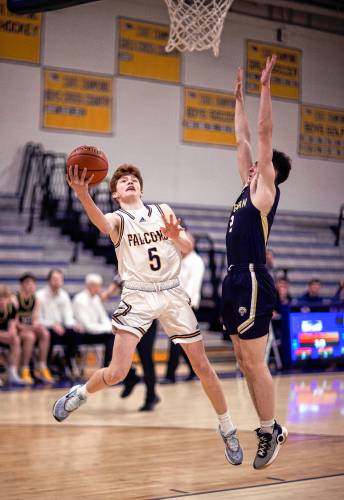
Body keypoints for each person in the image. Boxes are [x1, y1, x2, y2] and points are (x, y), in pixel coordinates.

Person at [53, 163, 243, 466]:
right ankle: (82, 393)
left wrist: (175, 235)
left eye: (134, 180)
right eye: (123, 181)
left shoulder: (161, 210)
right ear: (115, 194)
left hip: (171, 292)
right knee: (117, 372)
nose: (129, 182)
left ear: (141, 188)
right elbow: (100, 223)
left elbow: (187, 245)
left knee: (202, 366)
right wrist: (82, 194)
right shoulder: (117, 218)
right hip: (138, 294)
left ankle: (228, 427)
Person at [222, 56, 290, 469]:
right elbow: (242, 138)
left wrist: (265, 88)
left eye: (261, 165)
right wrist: (238, 100)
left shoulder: (265, 190)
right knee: (245, 363)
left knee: (254, 362)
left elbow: (262, 136)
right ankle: (266, 427)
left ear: (271, 173)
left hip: (250, 277)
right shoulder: (245, 190)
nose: (251, 164)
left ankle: (270, 428)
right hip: (233, 279)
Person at [102, 275, 160, 412]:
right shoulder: (124, 267)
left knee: (146, 358)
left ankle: (151, 396)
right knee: (111, 353)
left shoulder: (147, 268)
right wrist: (106, 294)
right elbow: (114, 285)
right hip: (128, 318)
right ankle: (131, 377)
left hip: (147, 319)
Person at [163, 233, 205, 383]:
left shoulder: (196, 262)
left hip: (187, 306)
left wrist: (180, 306)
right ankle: (195, 371)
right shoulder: (178, 259)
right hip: (175, 305)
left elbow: (192, 287)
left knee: (176, 341)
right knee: (182, 342)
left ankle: (170, 376)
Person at [36, 269, 82, 378]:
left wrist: (74, 324)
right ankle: (47, 365)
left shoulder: (64, 295)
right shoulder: (39, 295)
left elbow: (68, 316)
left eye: (60, 279)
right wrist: (52, 324)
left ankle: (69, 361)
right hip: (46, 327)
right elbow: (37, 320)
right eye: (55, 279)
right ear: (49, 280)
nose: (57, 282)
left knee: (75, 333)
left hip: (61, 328)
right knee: (50, 334)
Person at [15, 273, 54, 384]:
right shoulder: (15, 299)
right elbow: (15, 322)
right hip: (17, 330)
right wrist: (30, 328)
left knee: (45, 333)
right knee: (30, 336)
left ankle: (42, 366)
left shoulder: (36, 300)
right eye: (28, 283)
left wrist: (36, 326)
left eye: (33, 284)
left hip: (28, 328)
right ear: (22, 285)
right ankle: (24, 368)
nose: (31, 286)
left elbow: (35, 319)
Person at [72, 273, 114, 369]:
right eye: (96, 286)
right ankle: (107, 366)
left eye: (99, 286)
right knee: (111, 335)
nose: (99, 289)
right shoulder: (79, 299)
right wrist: (107, 328)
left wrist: (110, 327)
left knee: (114, 335)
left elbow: (104, 318)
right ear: (89, 286)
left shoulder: (96, 299)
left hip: (95, 331)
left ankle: (108, 365)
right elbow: (88, 326)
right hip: (83, 335)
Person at [0, 285, 25, 385]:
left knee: (16, 339)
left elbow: (12, 330)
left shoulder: (11, 308)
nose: (2, 301)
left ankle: (12, 372)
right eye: (0, 298)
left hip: (4, 336)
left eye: (4, 298)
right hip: (3, 335)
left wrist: (7, 334)